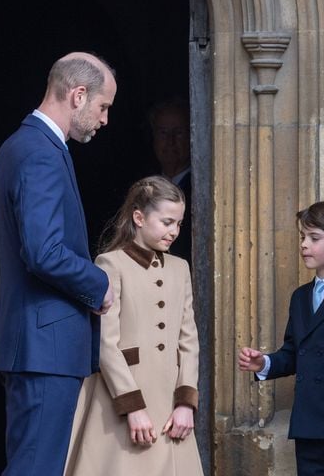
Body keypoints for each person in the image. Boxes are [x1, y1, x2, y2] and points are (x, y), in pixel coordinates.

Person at [0, 51, 117, 476]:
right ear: (78, 95)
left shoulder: (25, 145)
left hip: (37, 343)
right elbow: (42, 251)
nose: (104, 120)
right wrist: (98, 284)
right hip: (45, 346)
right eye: (102, 107)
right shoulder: (39, 152)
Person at [64, 176, 202, 475]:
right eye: (166, 222)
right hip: (121, 400)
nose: (174, 231)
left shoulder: (180, 268)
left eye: (178, 223)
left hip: (169, 404)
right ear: (139, 217)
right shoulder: (110, 263)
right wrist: (133, 406)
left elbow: (188, 340)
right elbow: (105, 343)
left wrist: (186, 403)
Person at [238, 200, 324, 476]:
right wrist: (264, 363)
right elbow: (294, 352)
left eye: (314, 238)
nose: (303, 245)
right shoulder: (300, 297)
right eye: (302, 237)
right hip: (309, 424)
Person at [148, 97, 192, 262]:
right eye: (163, 132)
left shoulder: (202, 188)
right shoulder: (143, 184)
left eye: (178, 132)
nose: (170, 141)